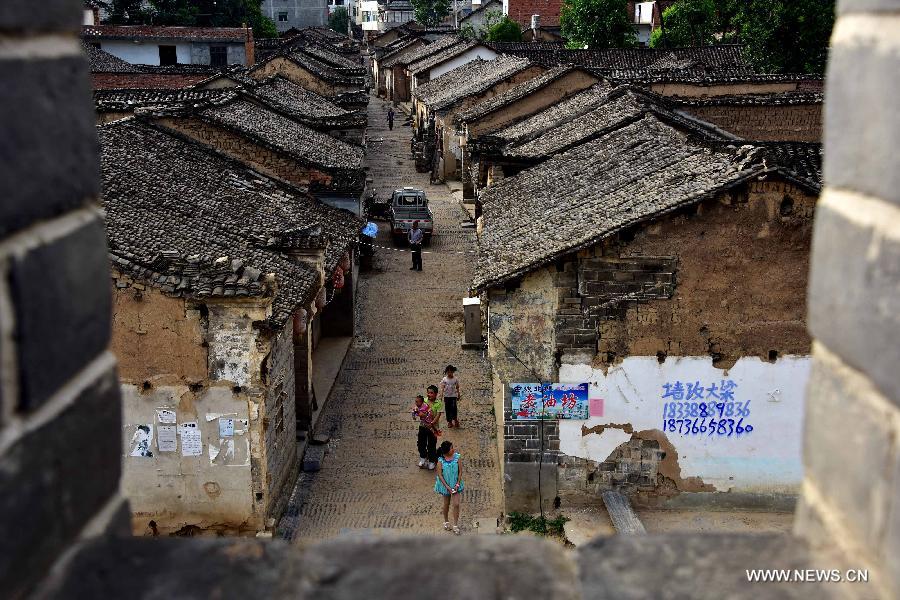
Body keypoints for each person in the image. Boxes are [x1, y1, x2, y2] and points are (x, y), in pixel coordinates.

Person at [434, 441, 464, 535]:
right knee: (446, 504)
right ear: (447, 451)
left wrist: (457, 484)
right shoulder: (440, 461)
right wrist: (447, 487)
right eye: (451, 448)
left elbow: (460, 471)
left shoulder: (457, 457)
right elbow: (440, 475)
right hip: (445, 486)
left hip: (455, 485)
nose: (453, 449)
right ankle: (446, 521)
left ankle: (455, 525)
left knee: (456, 504)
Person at [413, 394, 438, 469]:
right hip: (422, 426)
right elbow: (414, 412)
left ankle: (432, 461)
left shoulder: (427, 406)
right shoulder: (417, 407)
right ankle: (423, 457)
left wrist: (423, 415)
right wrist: (414, 415)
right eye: (415, 402)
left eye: (417, 402)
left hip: (431, 427)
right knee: (421, 443)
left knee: (431, 444)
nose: (416, 403)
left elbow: (431, 414)